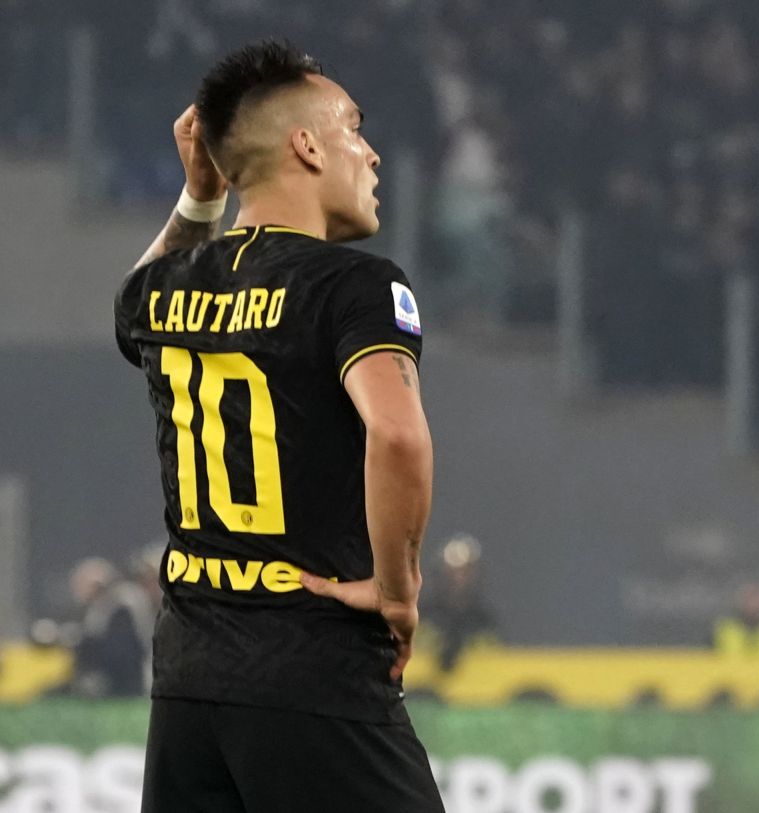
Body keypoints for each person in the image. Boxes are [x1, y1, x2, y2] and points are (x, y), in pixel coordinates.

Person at [114, 41, 443, 812]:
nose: (371, 153)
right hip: (312, 663)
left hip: (189, 680)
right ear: (306, 145)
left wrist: (200, 198)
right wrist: (397, 591)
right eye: (353, 128)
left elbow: (133, 308)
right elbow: (398, 435)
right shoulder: (356, 286)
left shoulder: (166, 289)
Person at [67, 557, 152, 698]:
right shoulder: (96, 609)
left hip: (124, 684)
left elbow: (122, 653)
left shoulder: (121, 609)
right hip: (114, 679)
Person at [422, 534, 499, 672]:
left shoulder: (485, 622)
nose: (457, 578)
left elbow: (496, 658)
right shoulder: (422, 618)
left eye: (465, 571)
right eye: (451, 571)